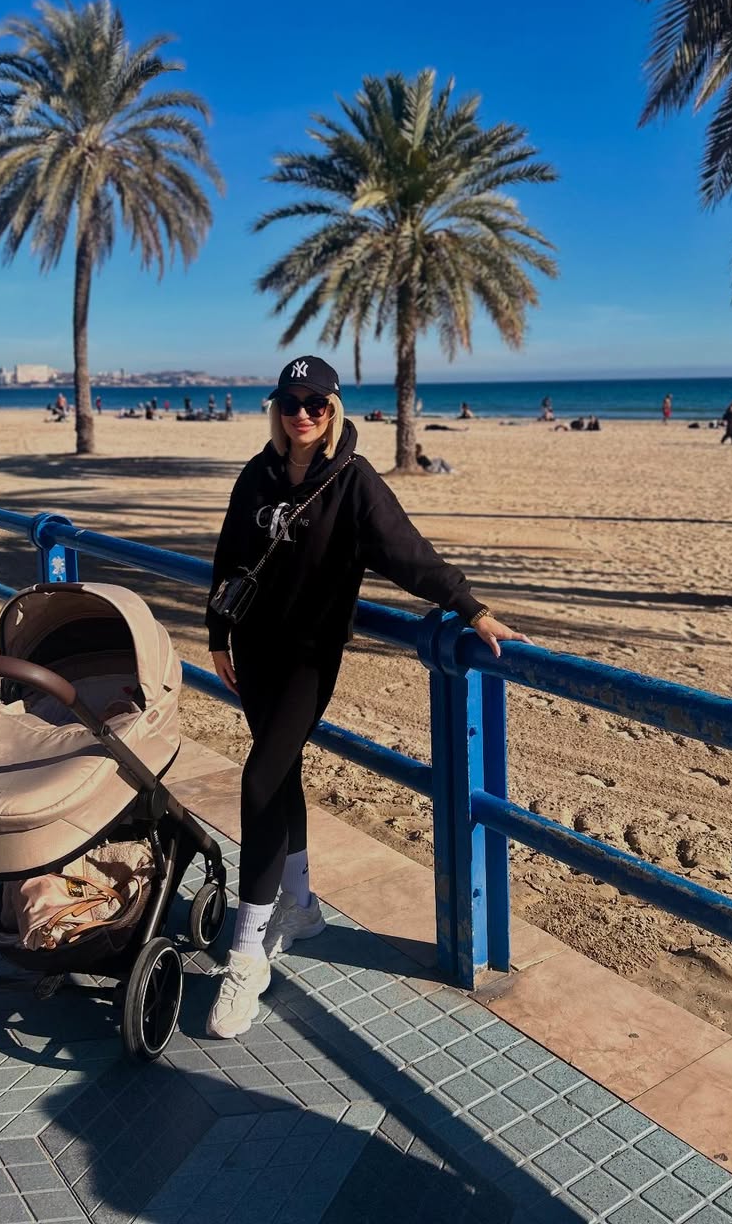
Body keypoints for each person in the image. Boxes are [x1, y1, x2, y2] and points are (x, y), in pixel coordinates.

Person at [205, 355, 529, 1038]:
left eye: (315, 404)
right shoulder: (257, 473)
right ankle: (300, 907)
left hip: (308, 658)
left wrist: (471, 608)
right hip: (254, 651)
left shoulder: (353, 481)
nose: (301, 414)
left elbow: (408, 553)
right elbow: (229, 557)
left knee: (259, 781)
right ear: (276, 409)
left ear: (334, 410)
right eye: (290, 403)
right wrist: (217, 637)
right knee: (280, 772)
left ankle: (247, 956)